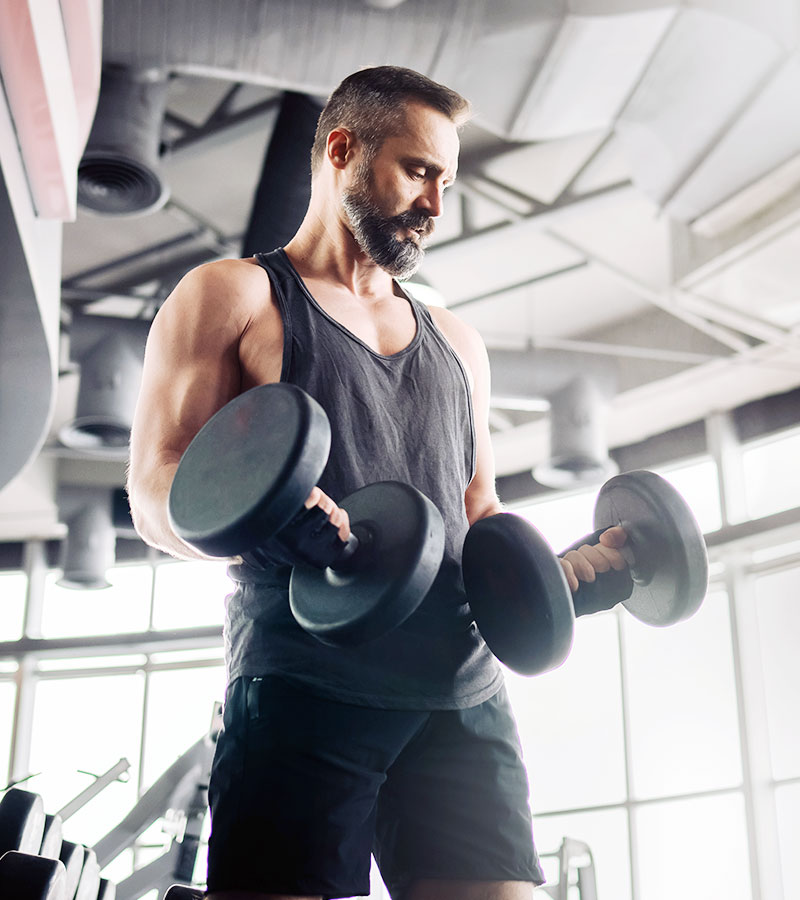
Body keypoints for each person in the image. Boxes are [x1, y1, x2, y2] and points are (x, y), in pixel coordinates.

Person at [127, 66, 628, 900]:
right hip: (302, 690)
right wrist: (261, 522)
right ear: (342, 150)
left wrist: (559, 580)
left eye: (447, 182)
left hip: (460, 693)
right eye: (419, 171)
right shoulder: (237, 297)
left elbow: (479, 514)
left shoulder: (457, 341)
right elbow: (155, 493)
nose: (436, 203)